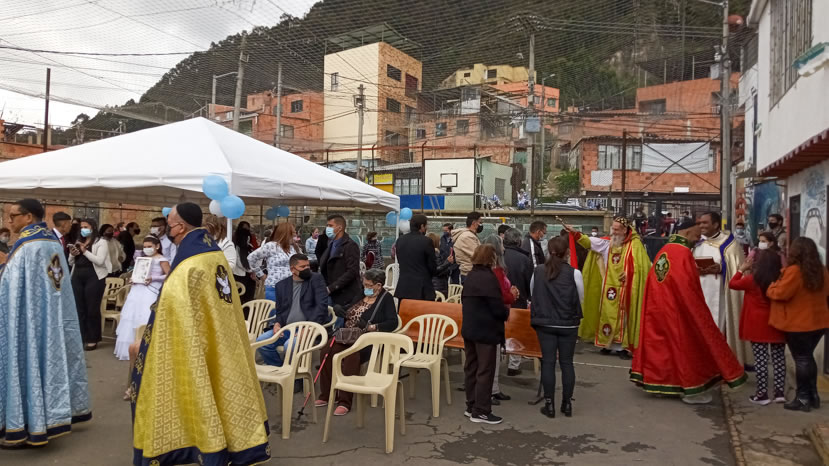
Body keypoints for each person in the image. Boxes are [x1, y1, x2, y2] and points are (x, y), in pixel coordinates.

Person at [130, 203, 270, 465]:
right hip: (223, 337)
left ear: (180, 227)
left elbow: (173, 311)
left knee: (198, 390)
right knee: (222, 387)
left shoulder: (187, 266)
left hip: (193, 342)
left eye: (169, 225)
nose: (167, 230)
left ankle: (202, 446)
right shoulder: (214, 254)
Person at [0, 199, 91, 447]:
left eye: (13, 216)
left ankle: (26, 424)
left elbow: (11, 286)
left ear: (29, 217)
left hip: (27, 320)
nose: (9, 220)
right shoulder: (51, 242)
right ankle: (49, 417)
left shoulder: (28, 247)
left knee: (26, 361)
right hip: (51, 316)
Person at [630, 217, 747, 404]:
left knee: (664, 350)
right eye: (696, 232)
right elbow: (687, 287)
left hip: (658, 309)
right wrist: (698, 312)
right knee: (685, 348)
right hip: (677, 310)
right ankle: (690, 389)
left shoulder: (666, 250)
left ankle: (662, 384)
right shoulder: (683, 252)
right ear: (686, 231)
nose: (698, 237)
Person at [316, 268, 398, 416]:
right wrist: (340, 309)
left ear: (378, 285)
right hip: (347, 335)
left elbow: (393, 323)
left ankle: (345, 401)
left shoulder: (386, 299)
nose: (365, 287)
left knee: (350, 356)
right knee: (327, 350)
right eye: (364, 284)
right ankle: (326, 394)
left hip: (366, 340)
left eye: (368, 285)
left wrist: (372, 326)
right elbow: (350, 309)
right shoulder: (362, 294)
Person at [570, 217, 650, 359]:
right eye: (613, 228)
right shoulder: (608, 243)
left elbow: (642, 267)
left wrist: (630, 273)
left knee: (623, 319)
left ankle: (622, 348)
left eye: (617, 229)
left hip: (626, 288)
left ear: (625, 230)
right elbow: (589, 242)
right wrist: (575, 233)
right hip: (608, 288)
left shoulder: (635, 245)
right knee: (607, 314)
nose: (613, 232)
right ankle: (607, 344)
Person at [767, 237, 829, 412]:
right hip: (819, 322)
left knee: (801, 359)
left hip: (798, 323)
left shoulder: (794, 271)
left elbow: (781, 293)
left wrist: (772, 286)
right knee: (808, 357)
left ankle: (802, 398)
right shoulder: (822, 270)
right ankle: (813, 395)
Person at [531, 236, 584, 418]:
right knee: (567, 363)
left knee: (548, 362)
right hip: (568, 323)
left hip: (545, 322)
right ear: (567, 253)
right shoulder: (574, 273)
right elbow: (580, 297)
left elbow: (533, 292)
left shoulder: (538, 271)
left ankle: (549, 404)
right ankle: (567, 403)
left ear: (548, 251)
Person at [729, 250, 786, 405]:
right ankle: (779, 393)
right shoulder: (781, 279)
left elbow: (732, 284)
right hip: (776, 322)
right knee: (779, 359)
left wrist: (741, 269)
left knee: (761, 360)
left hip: (756, 324)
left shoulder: (752, 280)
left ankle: (762, 394)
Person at [461, 244, 510, 424]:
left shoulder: (470, 276)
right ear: (491, 259)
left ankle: (471, 405)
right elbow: (497, 308)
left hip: (469, 329)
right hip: (486, 331)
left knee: (471, 368)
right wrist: (506, 312)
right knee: (485, 370)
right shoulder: (489, 279)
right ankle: (481, 410)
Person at [693, 211, 748, 364]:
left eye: (705, 223)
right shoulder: (697, 243)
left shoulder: (729, 245)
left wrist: (722, 268)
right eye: (700, 223)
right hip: (699, 292)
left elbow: (738, 269)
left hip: (720, 294)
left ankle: (721, 363)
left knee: (718, 326)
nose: (701, 226)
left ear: (716, 224)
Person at [255, 254, 328, 367]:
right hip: (286, 328)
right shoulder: (281, 286)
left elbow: (321, 306)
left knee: (289, 346)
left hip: (307, 328)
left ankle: (292, 374)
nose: (307, 269)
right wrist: (277, 324)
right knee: (261, 341)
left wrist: (308, 328)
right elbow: (280, 310)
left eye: (308, 266)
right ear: (292, 269)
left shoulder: (316, 279)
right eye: (302, 267)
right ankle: (280, 369)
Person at [115, 236, 170, 362]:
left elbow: (169, 274)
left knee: (146, 315)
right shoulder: (142, 259)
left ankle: (145, 349)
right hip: (137, 290)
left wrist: (154, 278)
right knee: (131, 316)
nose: (147, 249)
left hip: (151, 290)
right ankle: (130, 349)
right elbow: (137, 272)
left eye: (149, 246)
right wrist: (133, 279)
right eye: (145, 247)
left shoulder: (162, 259)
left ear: (157, 246)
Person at [68, 218, 112, 350]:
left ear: (93, 227)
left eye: (86, 227)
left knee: (92, 308)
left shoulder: (101, 242)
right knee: (79, 308)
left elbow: (99, 261)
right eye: (81, 227)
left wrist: (85, 251)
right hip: (77, 276)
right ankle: (81, 337)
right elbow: (71, 262)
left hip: (94, 276)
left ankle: (92, 338)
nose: (83, 229)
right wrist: (72, 254)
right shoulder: (79, 241)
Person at [503, 228, 533, 377]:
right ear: (518, 241)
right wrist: (529, 297)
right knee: (516, 332)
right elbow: (529, 282)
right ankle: (513, 365)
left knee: (501, 330)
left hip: (500, 300)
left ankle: (497, 359)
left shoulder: (499, 256)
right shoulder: (524, 259)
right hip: (519, 300)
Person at [248, 222, 301, 303]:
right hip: (274, 287)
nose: (295, 235)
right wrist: (261, 274)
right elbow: (251, 258)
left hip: (291, 288)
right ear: (286, 233)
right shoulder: (271, 246)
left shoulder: (292, 248)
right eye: (293, 233)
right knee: (275, 310)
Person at [320, 214, 362, 308]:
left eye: (330, 225)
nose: (327, 228)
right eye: (327, 225)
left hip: (344, 294)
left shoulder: (350, 245)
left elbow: (352, 271)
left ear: (340, 228)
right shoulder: (331, 243)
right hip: (331, 292)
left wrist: (332, 288)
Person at [394, 214, 438, 301]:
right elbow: (432, 267)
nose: (427, 228)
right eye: (426, 225)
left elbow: (400, 260)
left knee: (404, 310)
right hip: (422, 289)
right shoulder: (426, 241)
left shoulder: (400, 240)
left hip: (404, 287)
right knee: (423, 310)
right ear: (422, 226)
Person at [452, 212, 483, 281]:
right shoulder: (467, 236)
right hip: (470, 273)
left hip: (471, 272)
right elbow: (477, 255)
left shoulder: (470, 235)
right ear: (474, 223)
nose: (481, 225)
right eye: (480, 222)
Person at [233, 224, 256, 303]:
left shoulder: (249, 247)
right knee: (240, 298)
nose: (248, 240)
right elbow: (239, 262)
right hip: (239, 276)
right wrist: (250, 270)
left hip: (249, 276)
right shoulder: (236, 248)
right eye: (247, 238)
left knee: (249, 296)